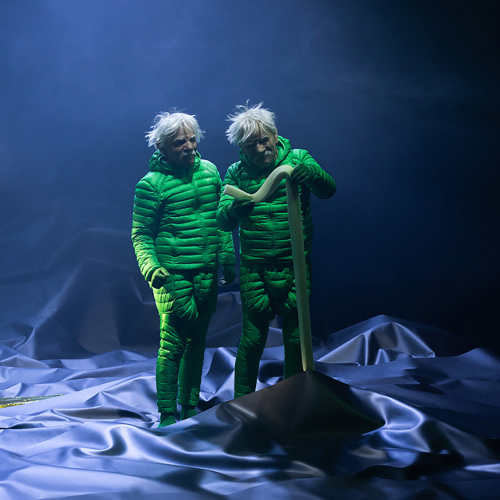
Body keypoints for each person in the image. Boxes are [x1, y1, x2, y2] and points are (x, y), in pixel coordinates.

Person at [217, 102, 336, 399]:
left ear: (274, 134)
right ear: (242, 148)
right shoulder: (235, 173)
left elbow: (328, 190)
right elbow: (222, 219)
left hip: (295, 265)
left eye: (263, 140)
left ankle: (292, 401)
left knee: (296, 339)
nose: (260, 149)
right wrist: (233, 210)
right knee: (252, 339)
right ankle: (241, 403)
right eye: (251, 145)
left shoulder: (298, 158)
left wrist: (310, 173)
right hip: (254, 269)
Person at [132, 111, 235, 427]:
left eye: (191, 139)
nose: (188, 147)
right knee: (173, 343)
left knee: (197, 342)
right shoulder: (151, 185)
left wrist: (227, 257)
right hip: (173, 275)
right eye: (179, 142)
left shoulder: (210, 172)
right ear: (162, 147)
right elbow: (141, 235)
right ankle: (167, 412)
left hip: (206, 272)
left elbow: (220, 220)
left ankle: (189, 405)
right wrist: (151, 268)